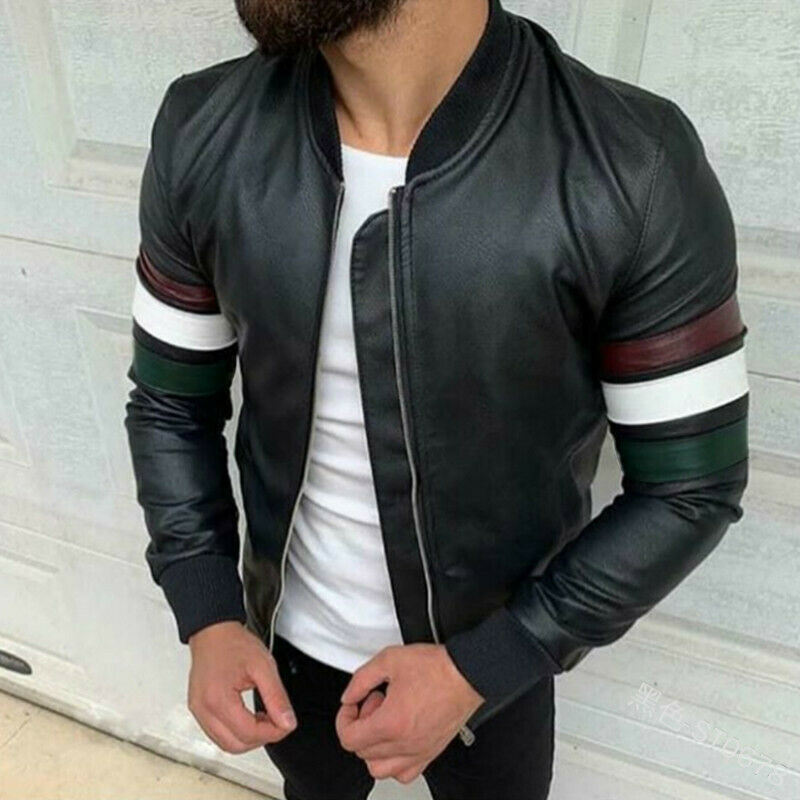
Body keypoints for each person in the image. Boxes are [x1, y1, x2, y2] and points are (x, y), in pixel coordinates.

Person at [123, 0, 750, 797]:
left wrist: (485, 666)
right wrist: (208, 610)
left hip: (494, 669)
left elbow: (690, 487)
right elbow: (170, 402)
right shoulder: (203, 128)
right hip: (286, 652)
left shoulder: (631, 166)